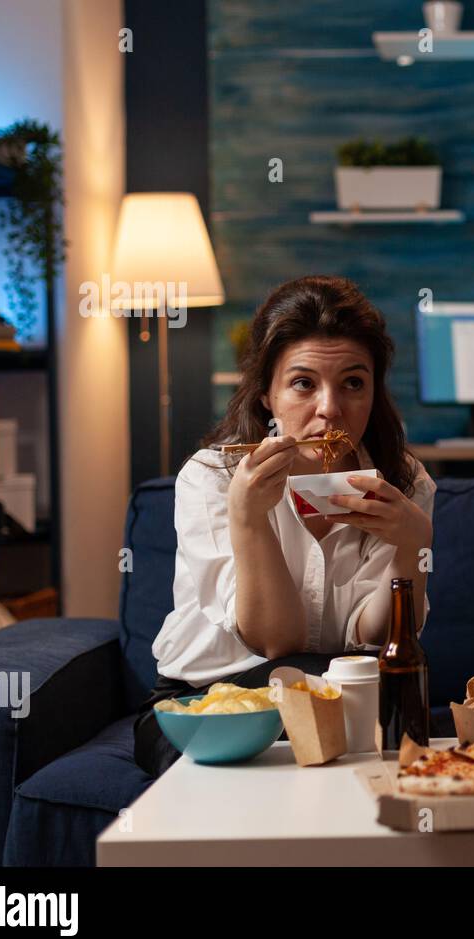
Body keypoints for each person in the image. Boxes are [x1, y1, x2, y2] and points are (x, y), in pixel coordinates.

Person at [133, 275, 435, 777]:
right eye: (303, 383)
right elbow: (275, 641)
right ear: (267, 395)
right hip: (208, 701)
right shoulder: (212, 478)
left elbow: (375, 637)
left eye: (353, 383)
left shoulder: (404, 482)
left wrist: (411, 545)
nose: (329, 408)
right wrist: (249, 519)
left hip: (340, 695)